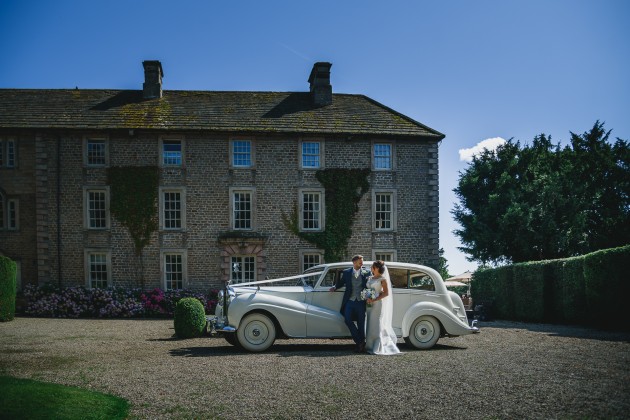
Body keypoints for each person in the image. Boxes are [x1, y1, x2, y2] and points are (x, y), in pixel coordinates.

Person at [329, 254, 370, 353]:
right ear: (354, 262)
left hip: (361, 301)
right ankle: (360, 341)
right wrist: (335, 287)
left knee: (361, 323)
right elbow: (342, 282)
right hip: (349, 301)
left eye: (362, 261)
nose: (362, 263)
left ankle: (360, 345)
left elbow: (369, 286)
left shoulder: (366, 272)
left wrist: (369, 297)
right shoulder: (347, 272)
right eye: (360, 261)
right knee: (347, 320)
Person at [365, 260, 401, 355]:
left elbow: (386, 293)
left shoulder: (382, 279)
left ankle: (378, 346)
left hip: (377, 304)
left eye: (372, 266)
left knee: (376, 323)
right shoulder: (370, 278)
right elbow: (368, 289)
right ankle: (369, 345)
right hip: (369, 304)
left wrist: (374, 299)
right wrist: (367, 297)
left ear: (376, 268)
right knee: (369, 322)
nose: (371, 268)